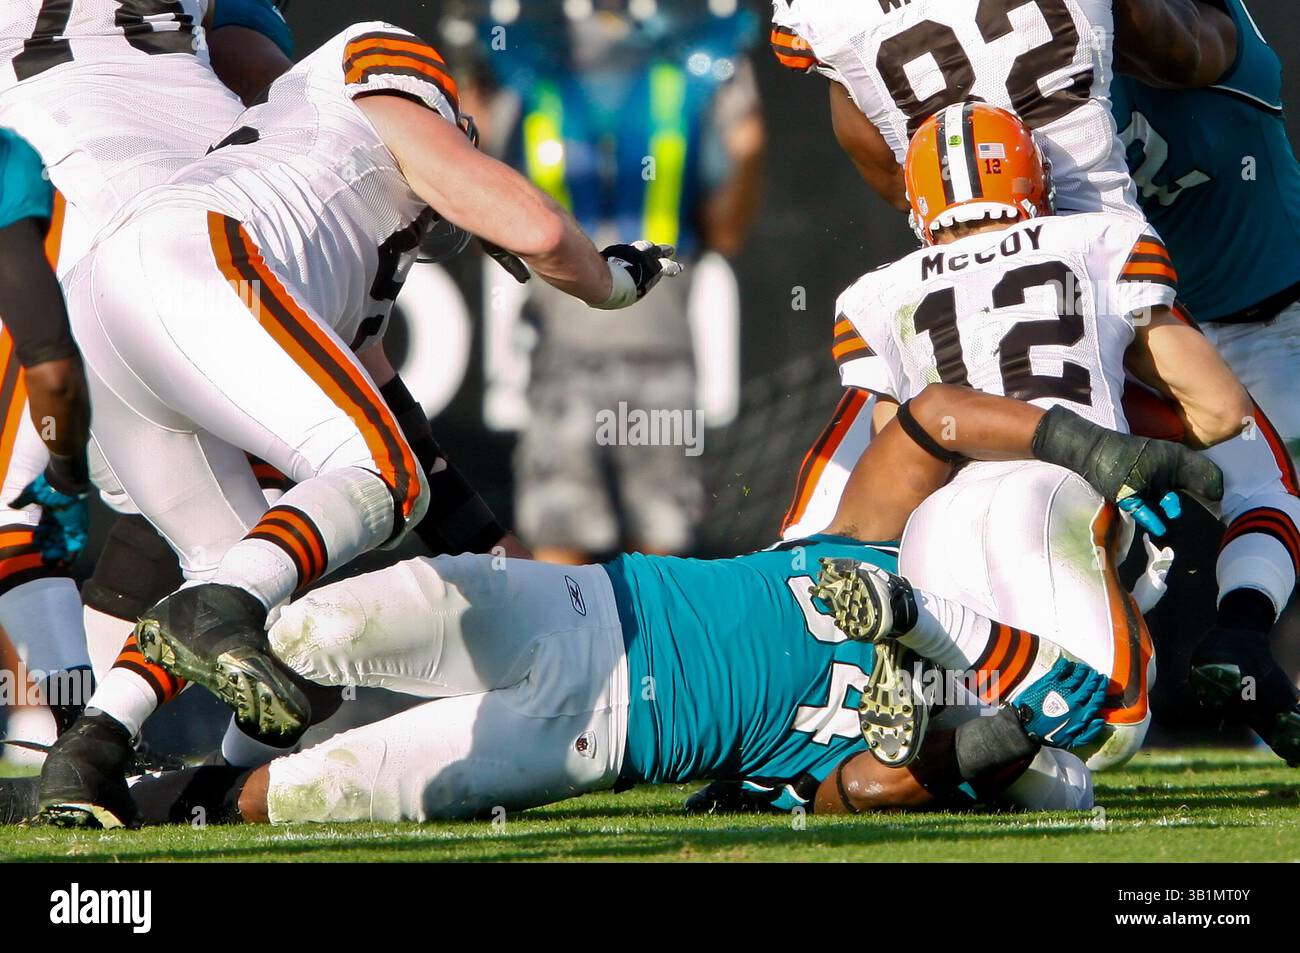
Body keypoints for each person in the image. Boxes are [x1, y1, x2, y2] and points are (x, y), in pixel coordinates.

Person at [5, 383, 1223, 826]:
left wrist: (967, 743)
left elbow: (874, 786)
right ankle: (107, 721)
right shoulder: (862, 546)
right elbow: (932, 418)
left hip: (585, 741)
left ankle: (148, 797)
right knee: (293, 627)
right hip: (573, 606)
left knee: (306, 800)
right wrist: (1082, 440)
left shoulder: (905, 724)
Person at [37, 20, 681, 830]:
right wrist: (613, 281)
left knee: (257, 596)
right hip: (195, 255)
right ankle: (215, 611)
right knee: (375, 481)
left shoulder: (347, 243)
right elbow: (544, 233)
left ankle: (95, 751)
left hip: (109, 297)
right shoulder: (377, 72)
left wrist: (499, 566)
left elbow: (410, 431)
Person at [826, 103, 1250, 770]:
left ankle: (914, 635)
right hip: (1056, 495)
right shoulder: (1099, 240)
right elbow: (1221, 410)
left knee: (1005, 743)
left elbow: (898, 447)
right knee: (1106, 727)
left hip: (936, 517)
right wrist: (1124, 430)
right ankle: (973, 690)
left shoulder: (876, 295)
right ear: (1033, 176)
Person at [473, 2, 765, 563]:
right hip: (563, 360)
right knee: (562, 545)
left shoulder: (690, 64)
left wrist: (746, 142)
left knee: (661, 552)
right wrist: (474, 102)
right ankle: (579, 653)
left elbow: (726, 231)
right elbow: (472, 196)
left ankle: (655, 654)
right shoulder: (525, 58)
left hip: (656, 359)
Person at [1111, 0, 1300, 761]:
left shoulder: (1212, 36)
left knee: (1270, 493)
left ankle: (1252, 665)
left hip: (1278, 322)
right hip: (1156, 337)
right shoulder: (1062, 76)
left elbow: (1167, 46)